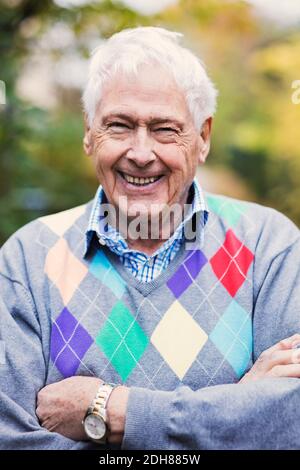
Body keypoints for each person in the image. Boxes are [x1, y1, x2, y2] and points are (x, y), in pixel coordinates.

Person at [0, 26, 300, 450]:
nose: (141, 153)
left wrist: (110, 411)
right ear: (89, 133)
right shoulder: (27, 260)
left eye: (164, 129)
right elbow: (9, 441)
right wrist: (235, 413)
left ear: (203, 138)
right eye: (119, 126)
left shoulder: (272, 247)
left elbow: (292, 423)